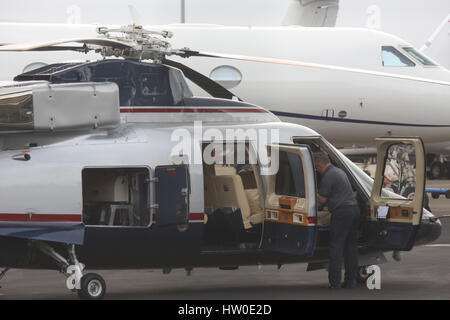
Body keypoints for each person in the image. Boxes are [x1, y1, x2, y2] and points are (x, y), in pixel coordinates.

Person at [313, 152, 360, 289]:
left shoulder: (328, 176)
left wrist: (310, 193)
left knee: (336, 247)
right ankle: (351, 281)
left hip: (342, 213)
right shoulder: (339, 171)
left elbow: (322, 199)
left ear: (320, 165)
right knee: (351, 248)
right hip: (354, 210)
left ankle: (335, 283)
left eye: (316, 168)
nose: (317, 171)